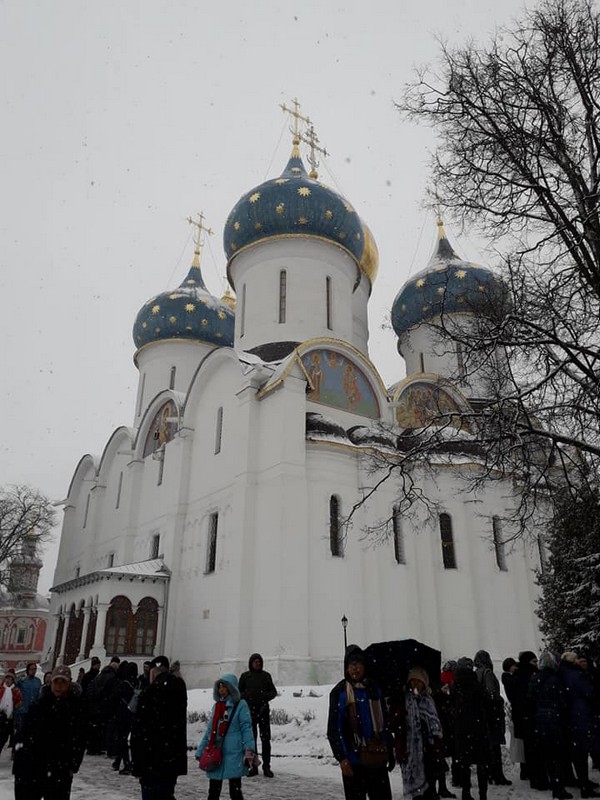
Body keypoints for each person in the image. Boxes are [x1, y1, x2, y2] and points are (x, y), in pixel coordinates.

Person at [327, 645, 394, 800]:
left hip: (376, 756)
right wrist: (342, 758)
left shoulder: (374, 689)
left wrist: (389, 751)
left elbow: (384, 724)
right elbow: (334, 729)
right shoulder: (340, 692)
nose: (355, 669)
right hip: (353, 761)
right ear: (346, 668)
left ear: (365, 666)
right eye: (351, 665)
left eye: (358, 664)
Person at [13, 664, 86, 800]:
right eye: (56, 681)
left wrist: (72, 764)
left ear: (69, 683)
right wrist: (20, 762)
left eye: (63, 682)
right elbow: (24, 734)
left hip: (60, 768)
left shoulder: (75, 709)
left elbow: (79, 739)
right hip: (33, 767)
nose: (59, 686)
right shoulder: (39, 705)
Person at [130, 655, 188, 800]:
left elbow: (139, 730)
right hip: (171, 757)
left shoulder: (150, 692)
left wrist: (137, 765)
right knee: (166, 793)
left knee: (152, 794)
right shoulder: (179, 689)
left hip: (151, 758)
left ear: (153, 672)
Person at [196, 673, 256, 800]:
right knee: (213, 791)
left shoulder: (241, 705)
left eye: (224, 687)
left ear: (231, 688)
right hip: (216, 751)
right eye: (219, 687)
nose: (221, 690)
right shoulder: (217, 706)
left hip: (234, 752)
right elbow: (210, 731)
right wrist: (200, 750)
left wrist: (249, 748)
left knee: (235, 791)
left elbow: (246, 728)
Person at [391, 666, 443, 800]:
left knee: (429, 790)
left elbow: (436, 728)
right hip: (409, 754)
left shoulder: (429, 701)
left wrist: (435, 748)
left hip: (428, 754)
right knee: (415, 794)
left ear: (424, 683)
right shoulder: (402, 700)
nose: (415, 684)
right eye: (413, 681)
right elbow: (394, 724)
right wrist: (399, 714)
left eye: (419, 681)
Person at [528, 650, 572, 800]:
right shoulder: (555, 678)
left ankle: (554, 783)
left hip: (540, 720)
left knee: (548, 754)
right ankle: (559, 787)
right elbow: (563, 700)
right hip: (555, 719)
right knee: (558, 755)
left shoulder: (535, 677)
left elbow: (531, 699)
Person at [559, 651, 600, 798]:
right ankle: (585, 786)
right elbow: (590, 693)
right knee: (582, 752)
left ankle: (583, 783)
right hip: (581, 716)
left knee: (577, 753)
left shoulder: (561, 673)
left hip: (569, 717)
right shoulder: (576, 675)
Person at [451, 658, 491, 800]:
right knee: (482, 763)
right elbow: (487, 704)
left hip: (461, 728)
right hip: (478, 728)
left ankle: (466, 792)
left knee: (464, 763)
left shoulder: (455, 687)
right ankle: (483, 794)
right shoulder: (477, 686)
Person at [473, 650, 510, 785]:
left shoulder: (476, 673)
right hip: (492, 714)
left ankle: (489, 773)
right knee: (495, 745)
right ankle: (497, 775)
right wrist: (499, 700)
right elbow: (492, 694)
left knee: (487, 746)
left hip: (482, 714)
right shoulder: (487, 673)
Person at [238, 653, 277, 777]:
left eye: (259, 662)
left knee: (265, 739)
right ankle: (253, 766)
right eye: (255, 662)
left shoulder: (266, 676)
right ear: (251, 663)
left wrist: (264, 697)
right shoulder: (245, 676)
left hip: (263, 711)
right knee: (251, 740)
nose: (257, 664)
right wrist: (247, 696)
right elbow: (239, 692)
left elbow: (273, 692)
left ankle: (266, 766)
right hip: (249, 711)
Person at [0, 670, 23, 755]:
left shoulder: (15, 690)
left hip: (9, 717)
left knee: (4, 737)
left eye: (10, 678)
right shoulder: (1, 688)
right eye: (7, 678)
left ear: (13, 680)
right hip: (0, 715)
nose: (8, 680)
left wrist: (15, 706)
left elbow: (20, 701)